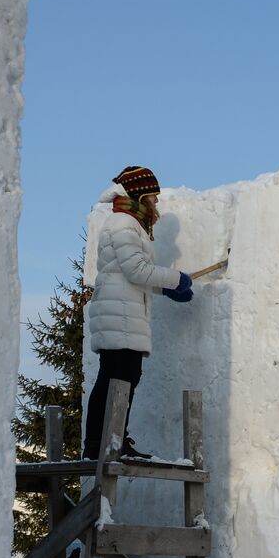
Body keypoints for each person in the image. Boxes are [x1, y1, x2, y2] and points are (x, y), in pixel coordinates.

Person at [83, 166, 193, 461]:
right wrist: (175, 279)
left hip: (123, 311)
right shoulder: (122, 224)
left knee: (122, 377)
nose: (156, 203)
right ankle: (104, 444)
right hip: (118, 314)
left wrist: (165, 289)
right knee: (118, 378)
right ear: (140, 195)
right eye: (153, 197)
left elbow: (130, 275)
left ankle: (107, 442)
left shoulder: (127, 224)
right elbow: (136, 270)